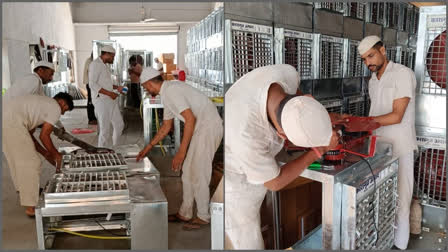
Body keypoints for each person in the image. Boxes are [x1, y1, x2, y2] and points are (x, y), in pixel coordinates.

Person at [224, 64, 339, 249]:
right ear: (282, 136)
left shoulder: (287, 75)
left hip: (252, 139)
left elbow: (300, 99)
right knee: (247, 241)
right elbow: (274, 183)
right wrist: (318, 151)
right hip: (237, 186)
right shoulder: (245, 133)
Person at [136, 67, 223, 230]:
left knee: (199, 172)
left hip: (209, 128)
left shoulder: (172, 90)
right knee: (188, 173)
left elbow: (190, 119)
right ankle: (185, 212)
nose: (147, 91)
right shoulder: (167, 93)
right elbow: (166, 126)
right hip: (201, 129)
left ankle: (204, 216)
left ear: (148, 83)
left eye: (145, 87)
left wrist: (181, 153)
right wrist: (147, 147)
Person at [357, 35, 417, 250]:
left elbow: (396, 116)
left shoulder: (402, 74)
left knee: (401, 199)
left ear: (383, 50)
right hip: (378, 148)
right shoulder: (373, 80)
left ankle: (400, 245)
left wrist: (363, 122)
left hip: (400, 146)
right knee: (380, 198)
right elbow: (377, 113)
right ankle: (381, 243)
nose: (368, 63)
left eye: (371, 56)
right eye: (364, 59)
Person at [2, 92, 74, 217]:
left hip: (6, 119)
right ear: (62, 103)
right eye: (64, 110)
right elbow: (44, 135)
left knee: (17, 159)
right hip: (12, 122)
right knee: (32, 162)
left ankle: (24, 190)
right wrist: (56, 155)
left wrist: (45, 153)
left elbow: (29, 136)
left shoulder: (39, 106)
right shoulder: (54, 107)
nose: (62, 114)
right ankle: (31, 206)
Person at [88, 45, 125, 147]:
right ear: (106, 54)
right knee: (105, 130)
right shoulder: (95, 65)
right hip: (101, 101)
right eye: (112, 56)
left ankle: (115, 148)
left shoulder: (104, 65)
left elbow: (105, 83)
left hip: (110, 99)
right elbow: (92, 84)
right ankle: (101, 152)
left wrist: (116, 87)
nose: (113, 58)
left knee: (119, 125)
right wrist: (110, 93)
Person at [83, 52, 97, 125]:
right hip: (90, 84)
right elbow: (91, 72)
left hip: (91, 83)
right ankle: (91, 119)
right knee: (91, 101)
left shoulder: (91, 61)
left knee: (92, 100)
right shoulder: (90, 61)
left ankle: (94, 118)